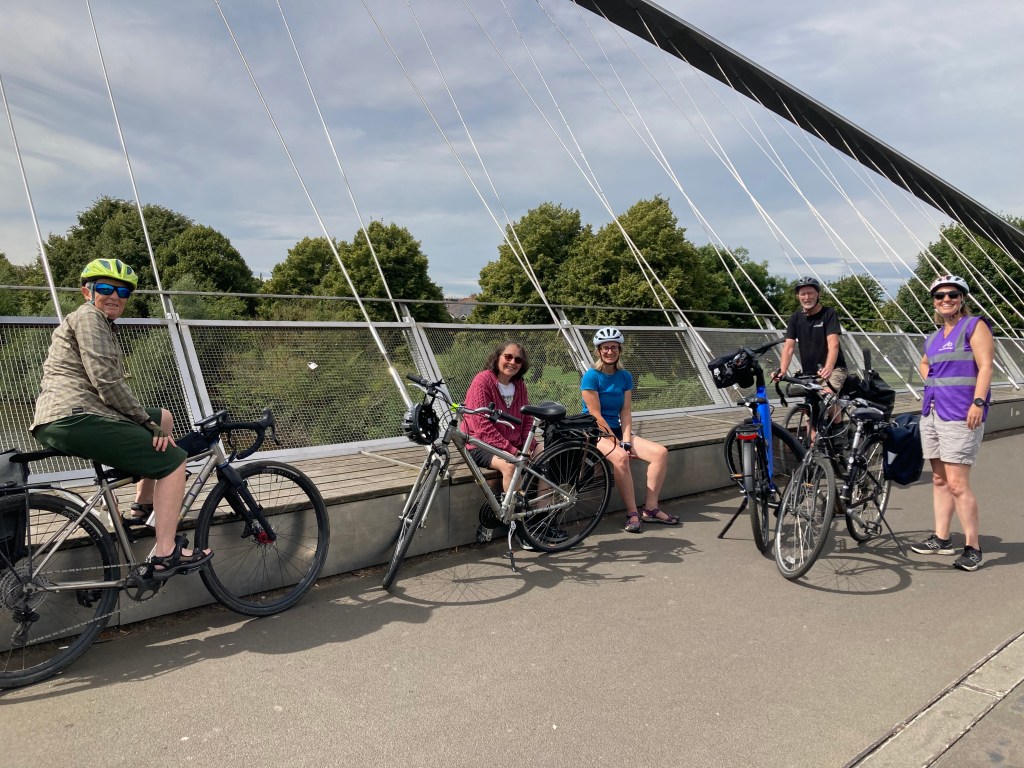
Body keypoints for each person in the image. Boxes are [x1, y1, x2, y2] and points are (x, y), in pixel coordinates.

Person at [30, 258, 212, 579]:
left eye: (123, 291)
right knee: (174, 461)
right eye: (105, 288)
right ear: (88, 292)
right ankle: (167, 554)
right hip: (74, 417)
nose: (114, 295)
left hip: (78, 414)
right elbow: (106, 381)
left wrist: (152, 421)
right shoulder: (89, 318)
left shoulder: (97, 321)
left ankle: (141, 505)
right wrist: (145, 423)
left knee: (165, 418)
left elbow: (107, 388)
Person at [910, 275, 993, 572]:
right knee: (939, 479)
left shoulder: (974, 326)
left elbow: (986, 366)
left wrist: (979, 402)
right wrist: (932, 381)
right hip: (932, 413)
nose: (946, 300)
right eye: (940, 296)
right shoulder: (932, 338)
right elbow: (924, 363)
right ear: (933, 301)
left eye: (952, 295)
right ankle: (942, 538)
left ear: (962, 299)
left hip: (961, 412)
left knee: (958, 484)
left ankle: (973, 547)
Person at [581, 327, 672, 533]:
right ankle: (632, 513)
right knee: (621, 457)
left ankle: (650, 509)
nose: (609, 352)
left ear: (620, 350)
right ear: (598, 351)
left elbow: (626, 411)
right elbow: (596, 415)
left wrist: (626, 439)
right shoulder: (591, 376)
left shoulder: (625, 376)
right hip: (594, 431)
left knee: (660, 453)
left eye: (613, 347)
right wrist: (616, 442)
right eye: (605, 348)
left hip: (616, 428)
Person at [462, 341, 536, 492]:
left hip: (514, 445)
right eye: (508, 357)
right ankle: (514, 513)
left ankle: (544, 508)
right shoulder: (483, 381)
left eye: (518, 360)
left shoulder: (519, 384)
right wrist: (513, 451)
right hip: (480, 444)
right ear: (497, 358)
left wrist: (529, 445)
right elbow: (482, 426)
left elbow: (527, 418)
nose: (512, 362)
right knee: (511, 466)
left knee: (544, 454)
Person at [773, 275, 848, 394]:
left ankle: (836, 411)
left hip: (834, 369)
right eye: (803, 294)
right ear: (798, 296)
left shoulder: (829, 313)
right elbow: (788, 347)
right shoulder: (795, 318)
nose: (807, 297)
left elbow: (833, 344)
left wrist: (828, 368)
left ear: (818, 294)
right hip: (809, 373)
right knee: (810, 407)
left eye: (810, 293)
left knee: (827, 397)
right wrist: (782, 371)